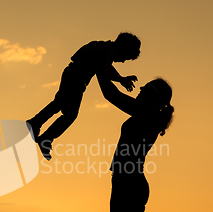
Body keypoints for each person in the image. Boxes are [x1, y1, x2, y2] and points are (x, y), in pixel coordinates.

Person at [96, 71, 174, 212]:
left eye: (145, 88)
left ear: (153, 96)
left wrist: (99, 68)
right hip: (126, 183)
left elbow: (112, 95)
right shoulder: (149, 113)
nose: (139, 90)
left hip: (129, 185)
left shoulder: (148, 112)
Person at [26, 32, 141, 160]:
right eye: (127, 56)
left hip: (72, 74)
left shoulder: (104, 47)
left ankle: (36, 125)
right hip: (76, 78)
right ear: (123, 48)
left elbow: (106, 67)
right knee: (69, 114)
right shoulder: (108, 52)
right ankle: (43, 134)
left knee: (59, 104)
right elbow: (105, 70)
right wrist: (121, 80)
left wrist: (121, 79)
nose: (124, 61)